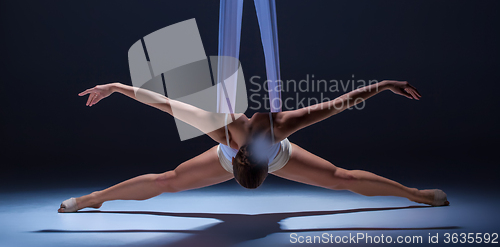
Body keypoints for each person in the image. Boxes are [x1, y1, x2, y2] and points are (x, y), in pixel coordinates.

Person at [58, 80, 448, 213]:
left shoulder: (250, 133)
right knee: (166, 181)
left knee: (340, 178)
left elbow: (164, 104)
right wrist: (383, 85)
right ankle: (95, 198)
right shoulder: (243, 132)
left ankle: (416, 195)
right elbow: (342, 102)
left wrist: (116, 87)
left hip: (257, 157)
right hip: (239, 157)